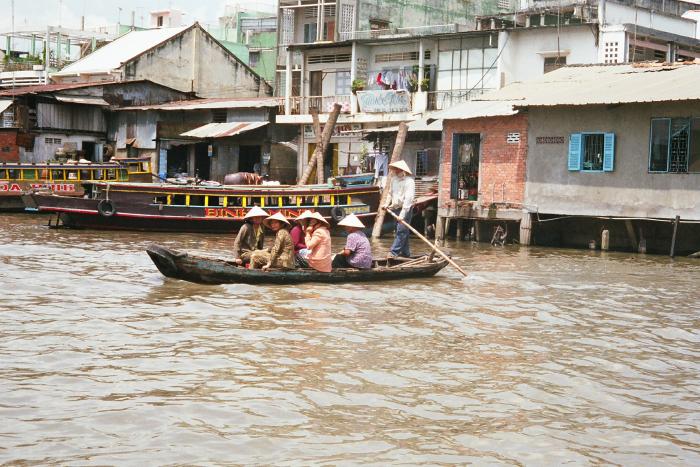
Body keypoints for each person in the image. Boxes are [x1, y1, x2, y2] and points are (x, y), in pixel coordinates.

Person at [383, 160, 415, 258]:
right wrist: (386, 204)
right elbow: (390, 193)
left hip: (405, 209)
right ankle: (406, 254)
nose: (396, 171)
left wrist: (402, 215)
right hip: (395, 208)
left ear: (402, 170)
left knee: (401, 230)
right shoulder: (394, 180)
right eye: (395, 169)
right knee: (402, 231)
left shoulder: (409, 181)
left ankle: (393, 252)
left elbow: (408, 199)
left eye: (398, 169)